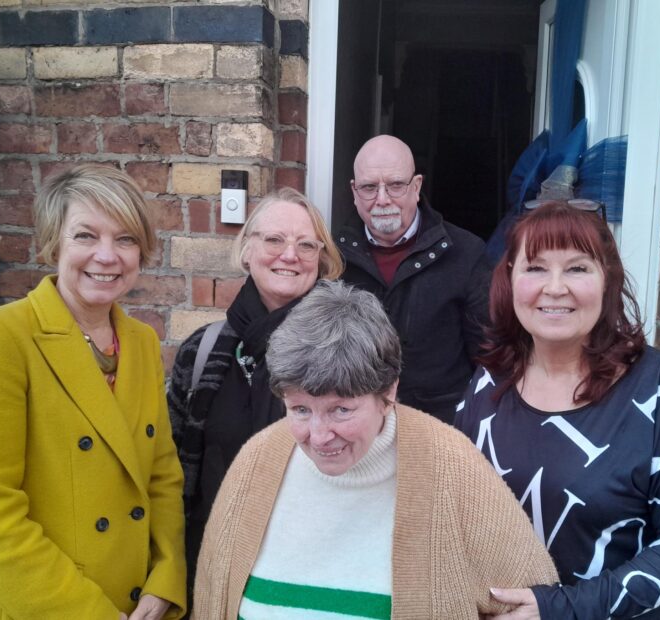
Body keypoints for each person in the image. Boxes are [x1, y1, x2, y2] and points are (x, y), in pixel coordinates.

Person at [193, 280, 558, 619]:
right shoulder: (256, 461)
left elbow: (532, 599)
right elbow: (212, 599)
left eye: (341, 409)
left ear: (388, 394)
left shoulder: (453, 467)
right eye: (300, 409)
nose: (319, 436)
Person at [455, 201, 660, 619]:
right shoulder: (489, 384)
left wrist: (561, 609)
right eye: (536, 267)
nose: (555, 287)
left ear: (607, 282)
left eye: (577, 268)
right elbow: (457, 505)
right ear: (509, 279)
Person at [0, 164, 186, 619]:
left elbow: (161, 474)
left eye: (126, 239)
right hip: (38, 607)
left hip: (134, 604)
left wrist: (166, 578)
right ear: (54, 242)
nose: (107, 256)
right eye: (85, 236)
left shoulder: (141, 341)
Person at [167, 187, 344, 607]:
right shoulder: (203, 350)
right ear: (247, 249)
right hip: (213, 565)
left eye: (306, 244)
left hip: (312, 573)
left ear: (321, 259)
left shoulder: (347, 350)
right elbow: (171, 471)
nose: (290, 254)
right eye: (274, 239)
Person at [338, 135, 492, 423]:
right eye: (369, 187)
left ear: (416, 186)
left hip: (441, 427)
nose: (382, 200)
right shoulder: (333, 258)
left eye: (396, 185)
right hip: (355, 429)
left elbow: (490, 359)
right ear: (354, 192)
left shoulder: (467, 254)